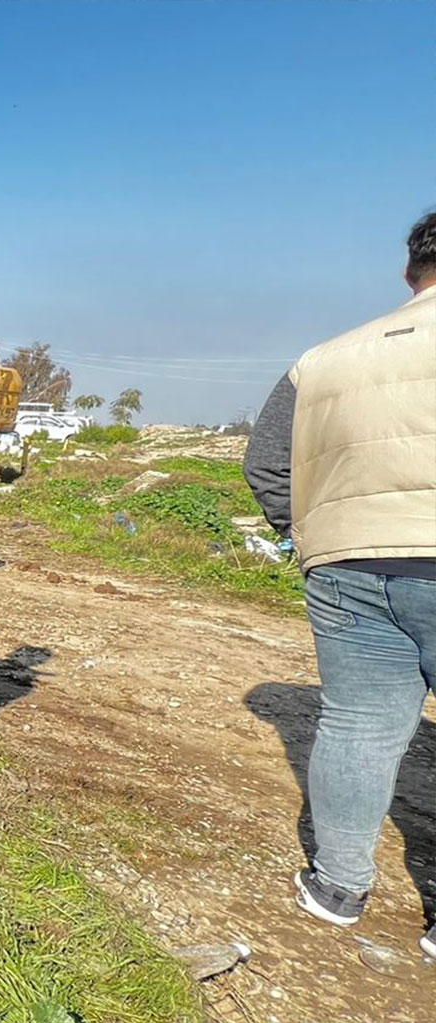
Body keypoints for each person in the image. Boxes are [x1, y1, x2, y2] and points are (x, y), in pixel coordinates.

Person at [243, 210, 436, 960]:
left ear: (407, 274)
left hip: (348, 565)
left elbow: (264, 463)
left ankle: (339, 886)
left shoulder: (323, 358)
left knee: (357, 724)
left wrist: (309, 531)